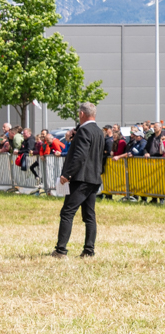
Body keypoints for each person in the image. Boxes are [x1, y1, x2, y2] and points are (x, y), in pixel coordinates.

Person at [54, 102, 104, 258]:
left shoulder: (84, 131)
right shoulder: (99, 131)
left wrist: (67, 174)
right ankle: (89, 250)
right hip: (94, 177)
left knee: (67, 213)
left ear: (82, 114)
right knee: (89, 216)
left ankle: (60, 250)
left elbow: (80, 156)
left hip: (81, 178)